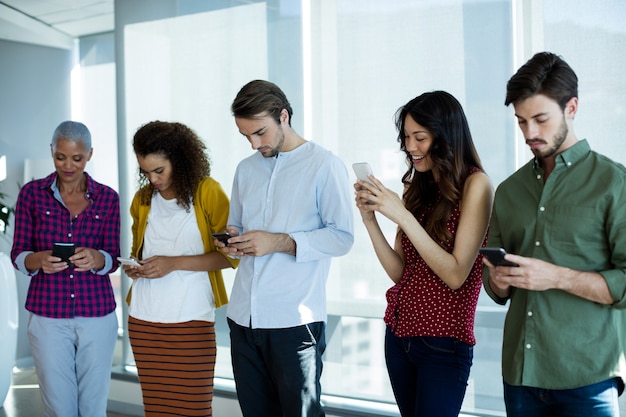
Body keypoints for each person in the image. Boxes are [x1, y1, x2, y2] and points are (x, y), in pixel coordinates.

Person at [482, 51, 626, 417]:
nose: (530, 133)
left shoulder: (614, 183)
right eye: (521, 121)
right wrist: (499, 280)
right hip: (520, 377)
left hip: (588, 378)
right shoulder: (509, 191)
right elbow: (495, 288)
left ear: (572, 108)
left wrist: (555, 276)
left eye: (541, 119)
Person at [216, 79, 354, 417]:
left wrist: (279, 241)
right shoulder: (245, 170)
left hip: (295, 323)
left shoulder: (324, 164)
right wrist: (233, 239)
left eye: (260, 132)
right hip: (243, 319)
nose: (253, 143)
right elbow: (237, 224)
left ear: (284, 116)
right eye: (246, 135)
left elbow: (342, 237)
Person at [354, 91, 493, 416]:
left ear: (446, 137)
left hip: (444, 342)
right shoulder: (417, 187)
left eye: (420, 137)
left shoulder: (477, 185)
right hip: (399, 336)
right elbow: (400, 272)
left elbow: (457, 274)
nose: (410, 147)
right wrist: (370, 220)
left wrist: (401, 215)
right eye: (406, 138)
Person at [124, 120, 238, 417]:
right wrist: (137, 268)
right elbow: (143, 251)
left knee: (193, 408)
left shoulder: (208, 192)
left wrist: (173, 264)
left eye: (159, 170)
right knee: (156, 409)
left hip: (190, 318)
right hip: (143, 318)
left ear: (180, 160)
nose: (152, 179)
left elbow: (232, 255)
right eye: (145, 171)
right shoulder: (142, 200)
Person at [10, 120, 120, 417]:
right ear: (52, 152)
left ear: (90, 154)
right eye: (60, 157)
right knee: (59, 404)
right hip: (47, 314)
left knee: (93, 403)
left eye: (77, 158)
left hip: (97, 313)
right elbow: (18, 254)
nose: (68, 165)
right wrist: (40, 259)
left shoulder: (108, 198)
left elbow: (113, 256)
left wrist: (98, 258)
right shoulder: (31, 194)